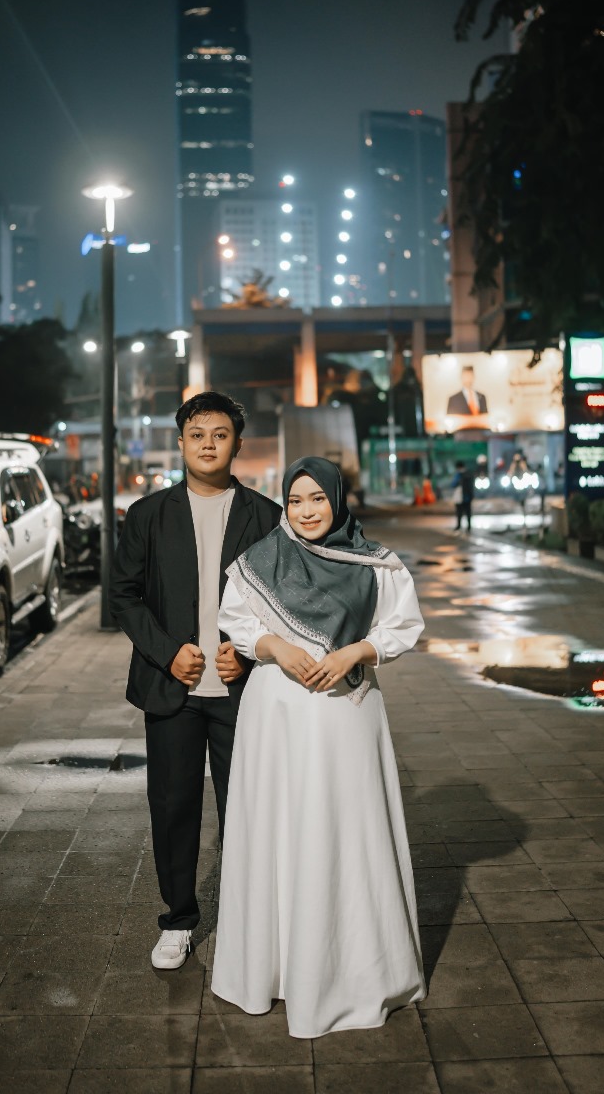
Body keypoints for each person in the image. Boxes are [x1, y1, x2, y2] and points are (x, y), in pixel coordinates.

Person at [211, 456, 426, 1038]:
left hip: (345, 713)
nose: (306, 511)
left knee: (344, 828)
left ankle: (349, 974)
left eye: (318, 499)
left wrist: (355, 651)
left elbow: (403, 626)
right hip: (276, 714)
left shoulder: (375, 563)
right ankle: (275, 969)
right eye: (296, 500)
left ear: (337, 500)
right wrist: (276, 648)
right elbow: (236, 620)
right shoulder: (260, 559)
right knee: (279, 828)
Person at [109, 391, 281, 971]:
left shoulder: (267, 517)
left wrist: (248, 656)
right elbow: (124, 597)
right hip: (173, 691)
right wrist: (166, 654)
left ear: (237, 444)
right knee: (173, 807)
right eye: (198, 434)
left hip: (242, 692)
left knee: (248, 809)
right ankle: (179, 920)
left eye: (220, 435)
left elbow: (283, 604)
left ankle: (248, 921)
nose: (209, 444)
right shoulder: (148, 515)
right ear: (181, 442)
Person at [451, 459, 475, 531]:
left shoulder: (458, 475)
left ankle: (459, 526)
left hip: (461, 497)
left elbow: (453, 484)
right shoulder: (469, 474)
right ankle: (468, 527)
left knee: (459, 512)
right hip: (466, 496)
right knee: (468, 512)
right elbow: (471, 486)